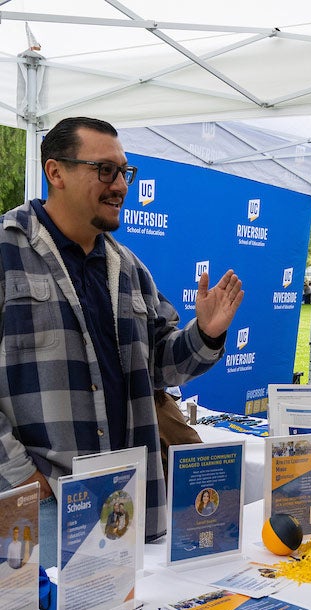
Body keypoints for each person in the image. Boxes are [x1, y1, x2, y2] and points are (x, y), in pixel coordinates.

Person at [0, 116, 244, 568]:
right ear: (56, 173)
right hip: (44, 504)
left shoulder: (127, 266)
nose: (120, 186)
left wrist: (205, 333)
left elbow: (160, 366)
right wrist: (22, 476)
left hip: (121, 503)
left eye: (125, 172)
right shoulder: (6, 251)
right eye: (105, 170)